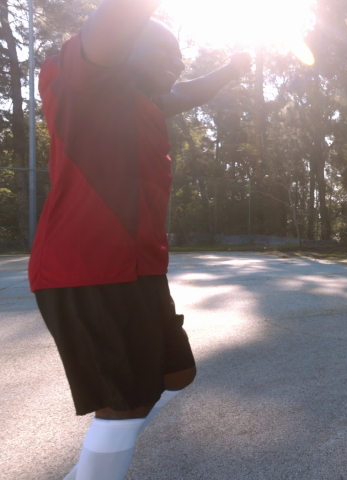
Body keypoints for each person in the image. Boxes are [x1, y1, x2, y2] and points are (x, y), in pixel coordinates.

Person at [28, 1, 251, 478]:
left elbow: (189, 92)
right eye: (166, 51)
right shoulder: (89, 83)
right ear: (127, 47)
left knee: (174, 374)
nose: (177, 61)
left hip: (139, 269)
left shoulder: (143, 102)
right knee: (126, 403)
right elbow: (116, 22)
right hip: (88, 268)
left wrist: (231, 69)